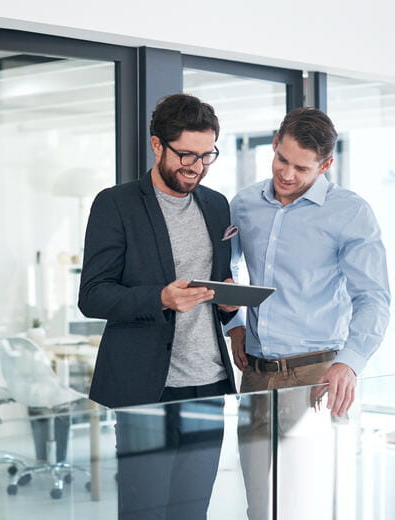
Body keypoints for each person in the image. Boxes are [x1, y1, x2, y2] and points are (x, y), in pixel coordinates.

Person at [78, 93, 240, 519]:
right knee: (144, 510)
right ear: (157, 146)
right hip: (144, 389)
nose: (197, 166)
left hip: (207, 383)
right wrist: (160, 298)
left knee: (192, 511)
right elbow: (92, 295)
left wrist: (229, 302)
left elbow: (215, 285)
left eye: (207, 156)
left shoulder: (216, 204)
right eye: (186, 154)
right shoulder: (116, 204)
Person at [227, 107, 391, 519]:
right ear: (275, 144)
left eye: (301, 168)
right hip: (256, 374)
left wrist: (349, 364)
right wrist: (235, 325)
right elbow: (224, 272)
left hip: (315, 375)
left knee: (307, 505)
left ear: (326, 165)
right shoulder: (244, 203)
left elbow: (373, 297)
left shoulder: (349, 212)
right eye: (281, 159)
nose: (286, 174)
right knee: (259, 505)